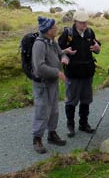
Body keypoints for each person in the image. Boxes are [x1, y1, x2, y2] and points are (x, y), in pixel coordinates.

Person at [58, 10, 101, 138]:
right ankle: (70, 125)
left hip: (88, 72)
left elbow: (96, 47)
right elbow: (58, 49)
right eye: (82, 23)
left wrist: (98, 48)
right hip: (73, 73)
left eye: (86, 22)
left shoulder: (89, 32)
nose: (85, 25)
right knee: (71, 101)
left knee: (86, 100)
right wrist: (64, 54)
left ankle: (84, 124)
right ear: (75, 22)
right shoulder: (67, 34)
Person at [31, 16, 69, 154]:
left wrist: (64, 57)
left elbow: (60, 54)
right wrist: (57, 73)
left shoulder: (52, 41)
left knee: (54, 110)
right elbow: (39, 67)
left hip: (52, 82)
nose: (57, 29)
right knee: (42, 111)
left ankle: (52, 134)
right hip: (42, 84)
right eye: (54, 28)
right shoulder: (39, 45)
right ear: (47, 30)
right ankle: (37, 139)